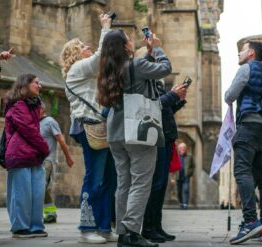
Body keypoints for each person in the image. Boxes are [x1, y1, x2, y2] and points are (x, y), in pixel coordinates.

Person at [97, 29, 172, 247]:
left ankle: (122, 232)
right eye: (128, 40)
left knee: (124, 183)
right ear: (124, 46)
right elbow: (166, 69)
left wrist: (148, 54)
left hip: (116, 131)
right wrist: (157, 47)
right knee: (141, 181)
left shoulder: (108, 71)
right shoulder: (136, 66)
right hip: (138, 128)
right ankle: (131, 231)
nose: (132, 42)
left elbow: (139, 77)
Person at [60, 14, 117, 244]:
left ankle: (104, 226)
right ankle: (86, 227)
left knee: (109, 179)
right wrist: (105, 27)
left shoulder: (85, 73)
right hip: (89, 127)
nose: (87, 47)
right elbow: (98, 58)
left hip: (100, 127)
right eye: (82, 46)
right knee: (94, 178)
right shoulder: (76, 70)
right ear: (74, 53)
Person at [225, 40, 262, 244]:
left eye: (242, 50)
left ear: (251, 53)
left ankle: (250, 222)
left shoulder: (246, 69)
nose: (239, 53)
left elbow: (230, 95)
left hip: (248, 126)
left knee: (242, 171)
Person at [137, 47, 187, 243]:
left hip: (165, 135)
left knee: (162, 184)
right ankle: (148, 227)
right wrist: (172, 95)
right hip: (156, 136)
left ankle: (156, 226)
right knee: (156, 184)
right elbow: (153, 107)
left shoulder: (155, 83)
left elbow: (164, 110)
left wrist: (178, 101)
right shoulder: (145, 82)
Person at [4, 74, 50, 238]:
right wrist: (45, 147)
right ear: (26, 84)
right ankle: (20, 227)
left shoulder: (33, 104)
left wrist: (40, 150)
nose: (40, 86)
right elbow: (29, 130)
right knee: (21, 193)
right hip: (19, 154)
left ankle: (36, 225)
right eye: (36, 83)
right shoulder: (18, 105)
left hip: (34, 155)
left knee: (37, 193)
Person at [39, 102, 74, 223]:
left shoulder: (50, 121)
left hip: (47, 160)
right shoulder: (35, 122)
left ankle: (43, 214)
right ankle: (51, 213)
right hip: (36, 161)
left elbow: (61, 140)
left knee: (41, 187)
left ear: (41, 109)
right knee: (43, 188)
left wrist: (68, 157)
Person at [176, 143, 194, 210]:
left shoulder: (189, 157)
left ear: (186, 149)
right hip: (178, 177)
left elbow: (193, 166)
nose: (183, 149)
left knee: (186, 190)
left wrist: (190, 173)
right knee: (179, 191)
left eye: (184, 148)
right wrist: (172, 177)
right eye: (181, 148)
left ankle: (185, 204)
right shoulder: (177, 157)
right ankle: (181, 203)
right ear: (179, 149)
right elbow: (173, 166)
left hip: (186, 177)